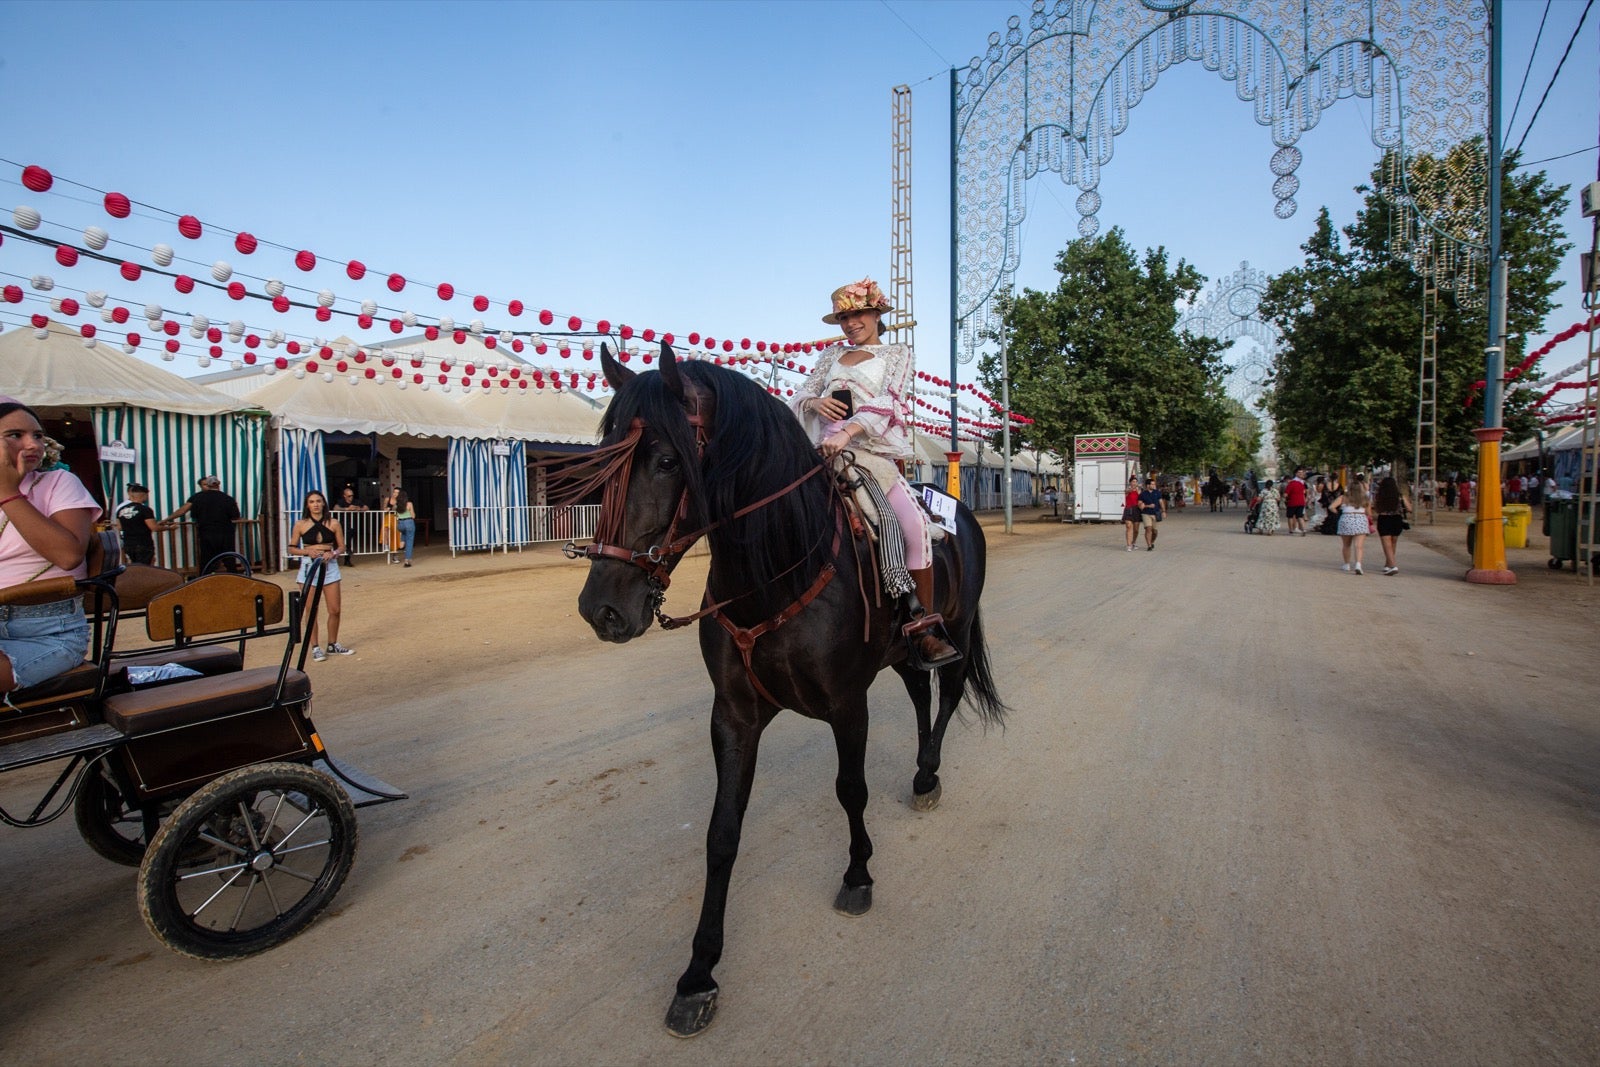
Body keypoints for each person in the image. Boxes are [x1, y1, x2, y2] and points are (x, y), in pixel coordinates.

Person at [791, 277, 959, 667]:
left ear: (877, 314)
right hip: (820, 452)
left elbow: (892, 401)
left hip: (868, 454)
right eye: (844, 317)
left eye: (858, 314)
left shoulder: (897, 354)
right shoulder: (830, 356)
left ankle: (923, 627)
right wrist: (816, 403)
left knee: (913, 527)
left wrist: (849, 430)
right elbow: (800, 394)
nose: (851, 324)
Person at [0, 399, 102, 694]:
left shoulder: (58, 482)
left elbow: (69, 555)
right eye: (16, 435)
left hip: (48, 630)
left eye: (38, 435)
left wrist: (8, 492)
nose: (32, 444)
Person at [287, 490, 354, 661]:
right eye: (312, 501)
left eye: (318, 501)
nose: (316, 504)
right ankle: (315, 646)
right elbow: (291, 547)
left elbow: (342, 546)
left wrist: (334, 553)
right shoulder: (300, 524)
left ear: (323, 503)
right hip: (309, 567)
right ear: (307, 505)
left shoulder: (333, 523)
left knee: (335, 609)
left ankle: (333, 643)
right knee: (311, 609)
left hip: (329, 566)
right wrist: (306, 551)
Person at [165, 474, 241, 573]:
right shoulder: (228, 498)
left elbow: (193, 514)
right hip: (225, 532)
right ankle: (234, 578)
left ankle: (204, 579)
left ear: (207, 485)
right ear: (218, 485)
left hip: (206, 531)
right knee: (229, 557)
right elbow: (235, 515)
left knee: (206, 557)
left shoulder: (198, 498)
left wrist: (167, 519)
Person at [114, 482, 168, 565]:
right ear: (144, 495)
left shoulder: (121, 510)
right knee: (145, 567)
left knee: (134, 565)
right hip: (143, 543)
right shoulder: (145, 509)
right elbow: (154, 527)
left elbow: (119, 527)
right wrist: (169, 528)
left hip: (128, 543)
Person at [1333, 472, 1375, 574]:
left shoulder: (1343, 498)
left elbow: (1331, 507)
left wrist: (1339, 512)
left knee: (1346, 545)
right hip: (1360, 519)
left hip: (1346, 518)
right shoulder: (1365, 499)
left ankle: (1347, 564)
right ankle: (1358, 564)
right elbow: (1369, 513)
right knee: (1359, 546)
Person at [1373, 475, 1412, 576]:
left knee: (1387, 545)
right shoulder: (1399, 496)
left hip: (1384, 519)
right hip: (1397, 519)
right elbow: (1409, 509)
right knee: (1393, 543)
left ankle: (1393, 565)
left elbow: (1376, 508)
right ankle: (1388, 564)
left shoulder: (1379, 496)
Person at [387, 486, 416, 567]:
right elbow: (413, 516)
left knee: (403, 532)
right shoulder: (409, 504)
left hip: (400, 524)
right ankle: (407, 561)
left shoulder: (396, 506)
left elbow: (392, 512)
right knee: (409, 541)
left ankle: (402, 542)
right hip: (409, 522)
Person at [1137, 475, 1165, 550]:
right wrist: (1147, 506)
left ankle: (1152, 542)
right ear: (1148, 485)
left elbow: (1161, 502)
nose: (1154, 485)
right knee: (1148, 528)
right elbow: (1140, 505)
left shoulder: (1157, 492)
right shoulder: (1142, 494)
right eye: (1152, 484)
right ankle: (1149, 545)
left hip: (1155, 513)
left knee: (1154, 531)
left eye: (1154, 484)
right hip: (1146, 513)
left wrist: (1163, 511)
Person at [1282, 467, 1309, 534]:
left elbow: (1285, 494)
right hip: (1301, 502)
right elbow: (1304, 492)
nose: (1301, 474)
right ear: (1296, 473)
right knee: (1300, 516)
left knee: (1290, 516)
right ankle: (1303, 529)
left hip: (1292, 502)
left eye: (1302, 473)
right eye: (1300, 473)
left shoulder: (1291, 483)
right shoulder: (1301, 483)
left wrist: (1284, 498)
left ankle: (1291, 530)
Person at [1121, 476, 1141, 551]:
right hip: (1129, 509)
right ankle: (1128, 545)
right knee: (1129, 526)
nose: (1134, 483)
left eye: (1135, 482)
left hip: (1137, 509)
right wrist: (1133, 488)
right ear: (1130, 483)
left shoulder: (1139, 490)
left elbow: (1141, 498)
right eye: (1133, 482)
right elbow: (1127, 491)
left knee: (1136, 529)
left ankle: (1134, 542)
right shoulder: (1128, 490)